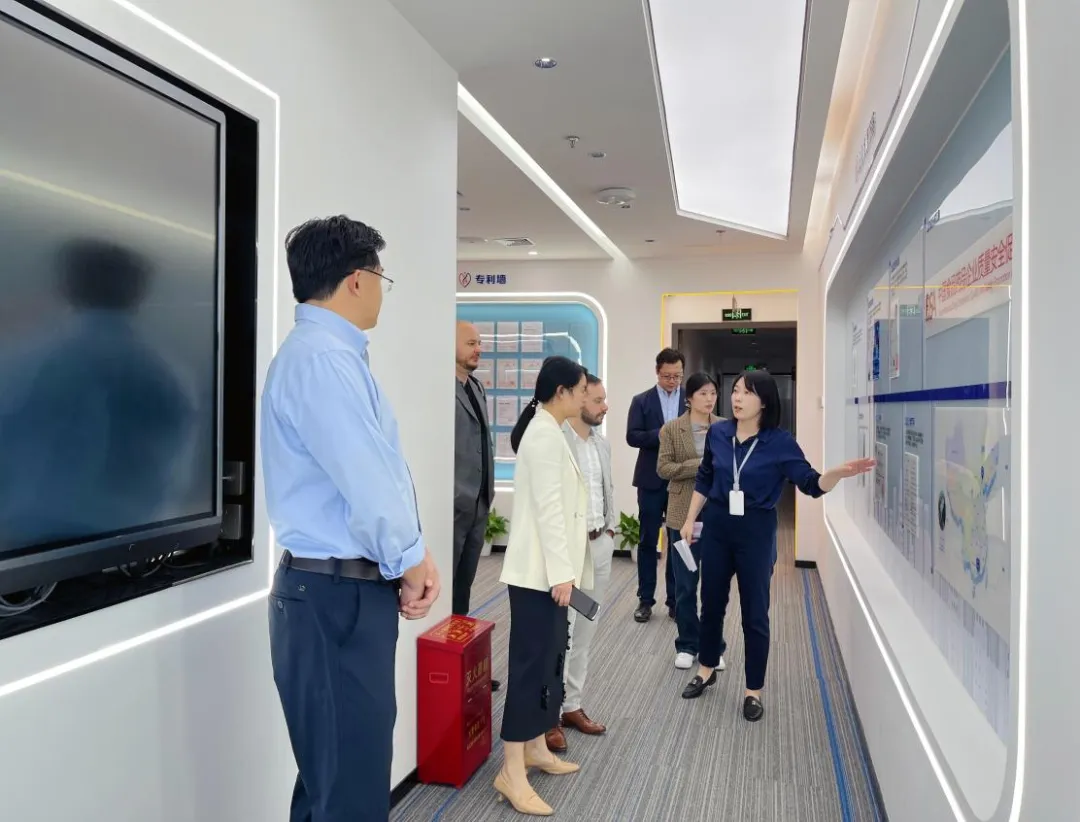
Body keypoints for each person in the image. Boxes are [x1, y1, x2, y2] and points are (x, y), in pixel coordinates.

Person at [261, 216, 440, 822]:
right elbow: (369, 483)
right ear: (358, 279)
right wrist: (411, 562)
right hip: (335, 596)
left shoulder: (325, 356)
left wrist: (412, 556)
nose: (383, 291)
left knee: (333, 780)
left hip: (333, 591)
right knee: (349, 791)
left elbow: (377, 474)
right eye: (382, 277)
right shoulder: (322, 362)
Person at [678, 369, 873, 722]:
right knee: (712, 603)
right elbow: (706, 477)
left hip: (755, 531)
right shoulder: (719, 433)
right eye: (736, 391)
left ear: (765, 402)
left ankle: (753, 690)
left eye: (747, 393)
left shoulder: (780, 442)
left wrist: (835, 475)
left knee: (755, 613)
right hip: (718, 526)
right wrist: (691, 518)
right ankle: (706, 669)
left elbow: (810, 483)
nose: (737, 398)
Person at [496, 356, 589, 816]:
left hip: (548, 574)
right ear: (561, 392)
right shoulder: (543, 434)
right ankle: (511, 770)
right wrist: (561, 574)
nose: (585, 397)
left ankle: (535, 747)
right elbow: (549, 509)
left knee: (550, 662)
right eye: (581, 389)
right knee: (530, 667)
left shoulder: (552, 430)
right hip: (539, 576)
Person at [546, 373, 616, 753]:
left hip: (599, 547)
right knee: (562, 635)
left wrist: (610, 532)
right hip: (570, 554)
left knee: (586, 631)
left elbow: (609, 489)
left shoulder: (601, 444)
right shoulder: (557, 442)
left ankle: (572, 705)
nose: (605, 407)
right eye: (598, 400)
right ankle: (550, 715)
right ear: (579, 399)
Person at [656, 372, 721, 671]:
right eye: (703, 393)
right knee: (685, 584)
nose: (709, 399)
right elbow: (664, 468)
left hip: (718, 514)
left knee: (715, 586)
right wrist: (700, 465)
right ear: (689, 398)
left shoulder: (725, 427)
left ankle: (713, 646)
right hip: (682, 514)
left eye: (713, 393)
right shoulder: (672, 429)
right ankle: (686, 644)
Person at [626, 347, 685, 623]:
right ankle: (645, 600)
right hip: (650, 480)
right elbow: (632, 436)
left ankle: (675, 601)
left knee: (677, 541)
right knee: (648, 540)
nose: (672, 381)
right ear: (657, 372)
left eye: (677, 376)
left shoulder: (691, 400)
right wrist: (658, 434)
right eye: (667, 376)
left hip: (681, 481)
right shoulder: (642, 401)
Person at [452, 321, 497, 623]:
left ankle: (458, 639)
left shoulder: (477, 387)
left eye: (479, 343)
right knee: (445, 582)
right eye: (471, 343)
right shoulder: (440, 387)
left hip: (478, 503)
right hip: (453, 503)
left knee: (464, 586)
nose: (478, 349)